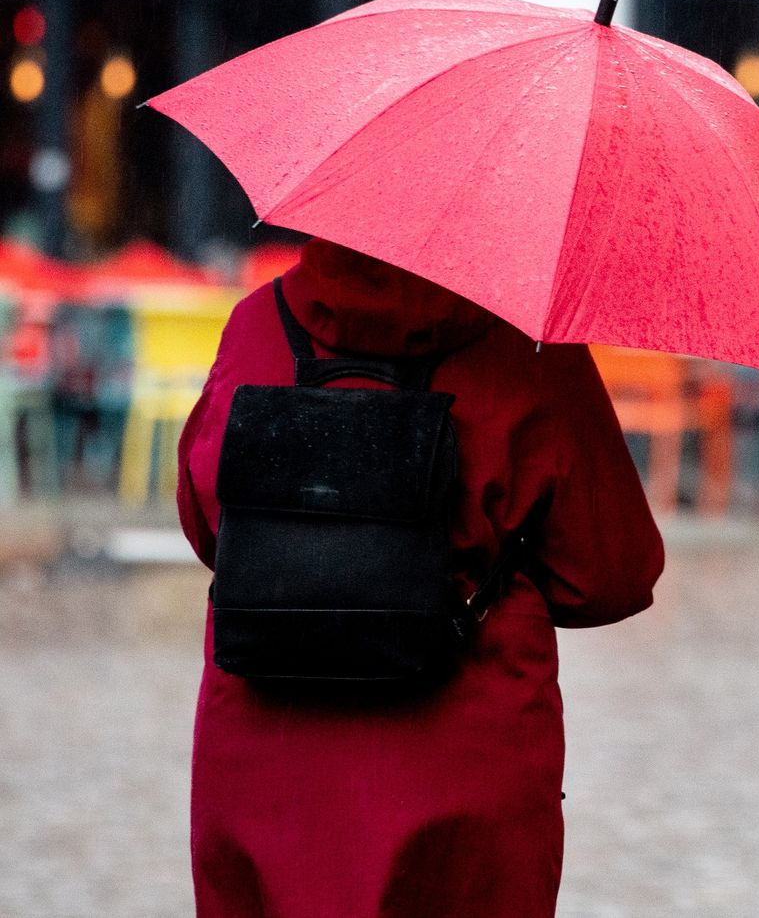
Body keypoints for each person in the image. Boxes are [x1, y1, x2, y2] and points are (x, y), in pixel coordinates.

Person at [175, 239, 666, 918]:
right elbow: (612, 570)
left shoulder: (256, 324)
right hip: (462, 763)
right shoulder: (526, 347)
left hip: (268, 763)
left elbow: (206, 525)